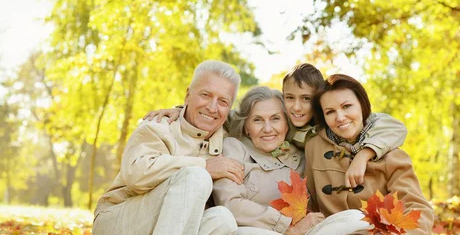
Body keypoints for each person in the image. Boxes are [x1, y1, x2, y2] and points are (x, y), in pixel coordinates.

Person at [89, 61, 297, 235]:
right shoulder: (158, 126)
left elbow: (263, 115)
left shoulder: (225, 131)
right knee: (197, 176)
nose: (212, 107)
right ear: (188, 94)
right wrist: (204, 165)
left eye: (223, 101)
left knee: (230, 223)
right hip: (120, 231)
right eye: (205, 95)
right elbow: (136, 174)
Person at [142, 63, 409, 189]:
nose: (296, 108)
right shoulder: (282, 119)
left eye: (306, 100)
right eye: (289, 99)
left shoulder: (326, 121)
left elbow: (391, 125)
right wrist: (181, 110)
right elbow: (229, 116)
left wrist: (364, 154)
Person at [211, 86, 372, 235]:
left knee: (356, 219)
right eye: (257, 120)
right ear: (246, 126)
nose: (268, 128)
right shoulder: (234, 148)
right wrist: (287, 226)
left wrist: (366, 153)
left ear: (287, 123)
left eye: (275, 118)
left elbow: (374, 122)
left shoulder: (303, 154)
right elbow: (230, 205)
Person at [304, 74, 453, 235]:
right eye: (330, 112)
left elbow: (418, 208)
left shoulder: (392, 155)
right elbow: (309, 200)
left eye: (347, 106)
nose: (340, 117)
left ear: (362, 106)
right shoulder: (314, 148)